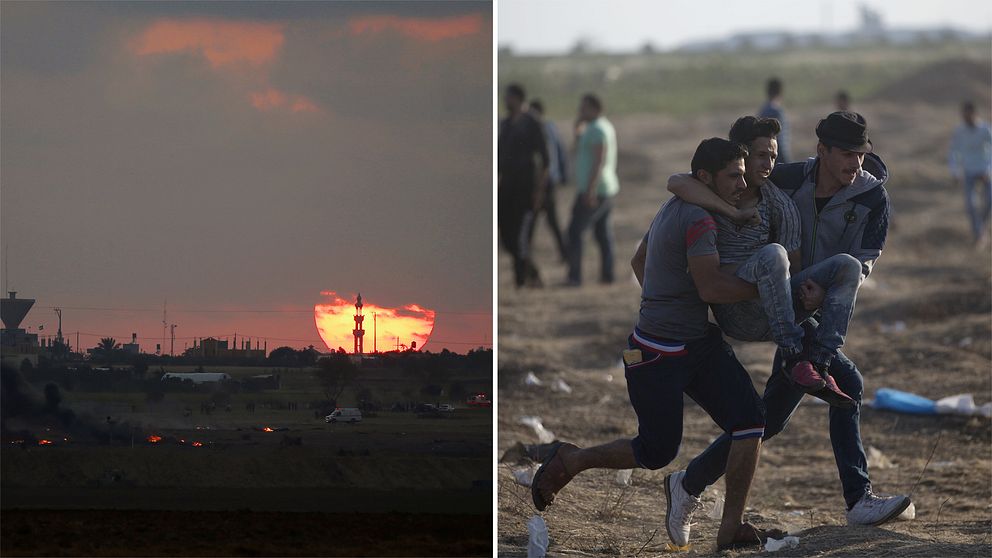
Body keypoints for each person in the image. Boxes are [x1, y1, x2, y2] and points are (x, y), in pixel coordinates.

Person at [663, 112, 911, 541]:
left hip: (815, 310)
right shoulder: (787, 178)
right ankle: (858, 499)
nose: (857, 163)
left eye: (862, 153)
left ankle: (688, 482)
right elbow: (689, 180)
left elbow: (863, 264)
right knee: (844, 386)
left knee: (769, 419)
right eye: (848, 154)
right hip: (783, 307)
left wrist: (822, 290)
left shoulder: (873, 198)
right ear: (823, 152)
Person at [533, 138, 783, 551]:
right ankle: (572, 459)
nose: (742, 184)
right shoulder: (698, 218)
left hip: (697, 343)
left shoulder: (678, 204)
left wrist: (666, 300)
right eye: (733, 176)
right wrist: (770, 290)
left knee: (751, 421)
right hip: (655, 353)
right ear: (705, 179)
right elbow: (712, 287)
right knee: (656, 450)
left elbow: (638, 261)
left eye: (743, 174)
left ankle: (730, 528)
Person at [669, 116, 861, 406]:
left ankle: (818, 361)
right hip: (736, 312)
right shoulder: (712, 189)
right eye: (761, 155)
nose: (769, 164)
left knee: (849, 265)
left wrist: (812, 294)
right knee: (773, 253)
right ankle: (793, 356)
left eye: (773, 156)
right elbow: (676, 181)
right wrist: (731, 212)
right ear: (741, 154)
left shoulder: (779, 204)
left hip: (775, 309)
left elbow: (793, 269)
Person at [565, 93, 619, 286]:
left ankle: (575, 277)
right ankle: (607, 275)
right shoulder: (600, 126)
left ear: (595, 108)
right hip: (605, 188)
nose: (580, 110)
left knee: (575, 232)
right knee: (602, 233)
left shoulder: (597, 129)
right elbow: (578, 146)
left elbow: (598, 161)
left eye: (584, 107)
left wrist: (590, 190)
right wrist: (577, 127)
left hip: (595, 189)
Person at [498, 83, 548, 287]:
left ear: (518, 99)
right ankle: (532, 272)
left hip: (526, 191)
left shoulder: (532, 123)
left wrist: (539, 192)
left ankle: (521, 281)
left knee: (522, 240)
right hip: (505, 190)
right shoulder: (506, 124)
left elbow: (545, 160)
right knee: (506, 238)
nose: (505, 101)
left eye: (508, 98)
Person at [528, 99, 569, 261]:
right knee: (550, 222)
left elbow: (556, 153)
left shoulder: (538, 129)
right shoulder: (550, 127)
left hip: (543, 182)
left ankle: (526, 257)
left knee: (535, 222)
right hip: (550, 181)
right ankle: (564, 254)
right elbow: (561, 152)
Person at [948, 100, 992, 246]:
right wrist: (955, 172)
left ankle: (982, 226)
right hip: (968, 171)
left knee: (989, 201)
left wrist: (988, 169)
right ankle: (978, 233)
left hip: (984, 170)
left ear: (975, 114)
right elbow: (954, 152)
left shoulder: (985, 130)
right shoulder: (959, 131)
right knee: (970, 204)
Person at [758, 77, 790, 163]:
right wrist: (786, 161)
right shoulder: (776, 111)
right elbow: (780, 139)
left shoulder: (763, 109)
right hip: (775, 156)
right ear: (780, 91)